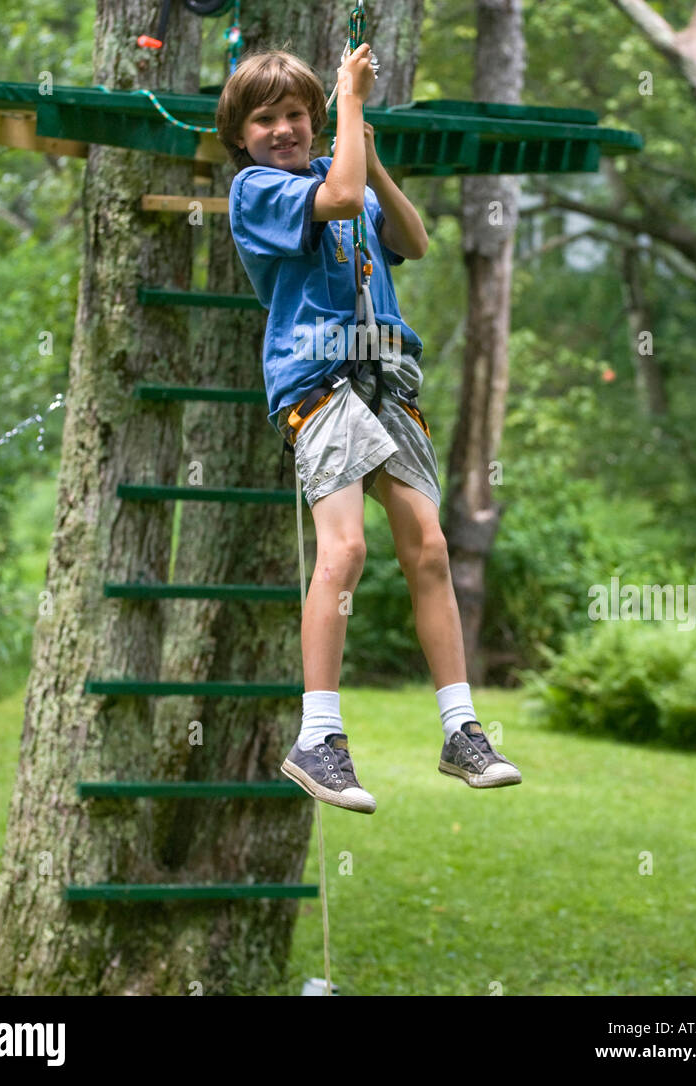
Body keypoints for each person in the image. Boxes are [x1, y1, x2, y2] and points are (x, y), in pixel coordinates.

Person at [219, 41, 521, 814]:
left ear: (314, 120)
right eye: (266, 120)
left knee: (429, 545)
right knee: (346, 547)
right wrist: (348, 106)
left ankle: (461, 728)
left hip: (385, 375)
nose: (284, 130)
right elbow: (345, 203)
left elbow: (410, 239)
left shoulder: (342, 169)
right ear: (242, 135)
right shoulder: (257, 189)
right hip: (319, 378)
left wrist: (371, 153)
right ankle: (318, 735)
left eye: (296, 115)